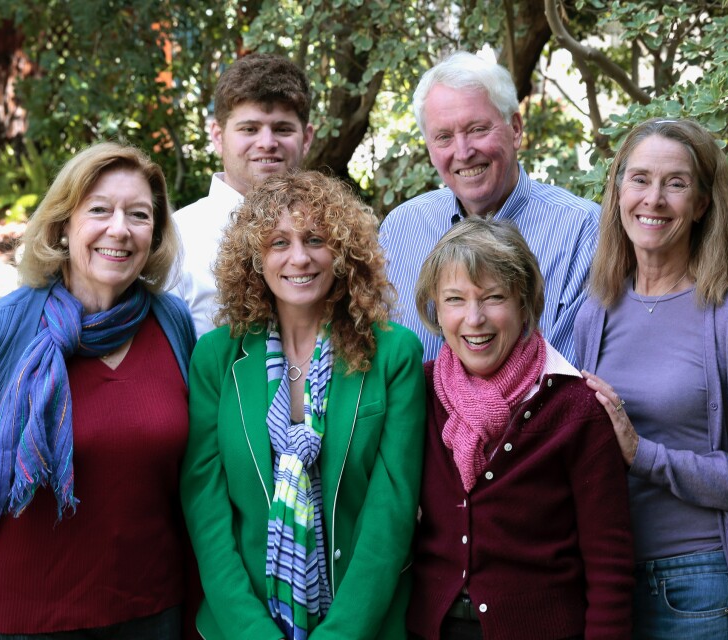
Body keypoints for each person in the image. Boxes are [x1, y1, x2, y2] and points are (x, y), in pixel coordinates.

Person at [0, 142, 199, 639]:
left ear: (156, 233)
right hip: (26, 623)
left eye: (139, 215)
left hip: (154, 613)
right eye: (98, 210)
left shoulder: (172, 325)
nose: (119, 229)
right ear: (63, 225)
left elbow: (192, 490)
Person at [574, 118, 728, 639]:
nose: (653, 199)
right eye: (639, 179)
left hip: (696, 584)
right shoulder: (596, 310)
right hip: (605, 581)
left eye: (675, 183)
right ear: (618, 191)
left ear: (701, 204)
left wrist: (643, 454)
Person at [180, 170, 426, 639]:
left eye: (315, 239)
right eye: (278, 243)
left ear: (343, 250)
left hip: (366, 624)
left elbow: (390, 513)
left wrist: (340, 635)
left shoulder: (394, 354)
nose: (299, 258)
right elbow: (206, 510)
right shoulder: (216, 357)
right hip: (241, 624)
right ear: (255, 257)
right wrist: (253, 633)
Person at [408, 216, 634, 640]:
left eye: (494, 297)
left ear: (524, 303)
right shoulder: (417, 395)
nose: (474, 319)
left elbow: (610, 569)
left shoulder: (576, 409)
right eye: (455, 299)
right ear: (435, 308)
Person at [379, 51, 598, 365]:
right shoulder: (401, 229)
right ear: (429, 148)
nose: (464, 152)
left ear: (516, 128)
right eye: (443, 137)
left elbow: (564, 380)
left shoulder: (581, 230)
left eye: (478, 129)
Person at [171, 52, 315, 336]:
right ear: (217, 136)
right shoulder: (177, 240)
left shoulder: (333, 236)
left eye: (282, 129)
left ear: (306, 138)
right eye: (249, 129)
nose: (267, 143)